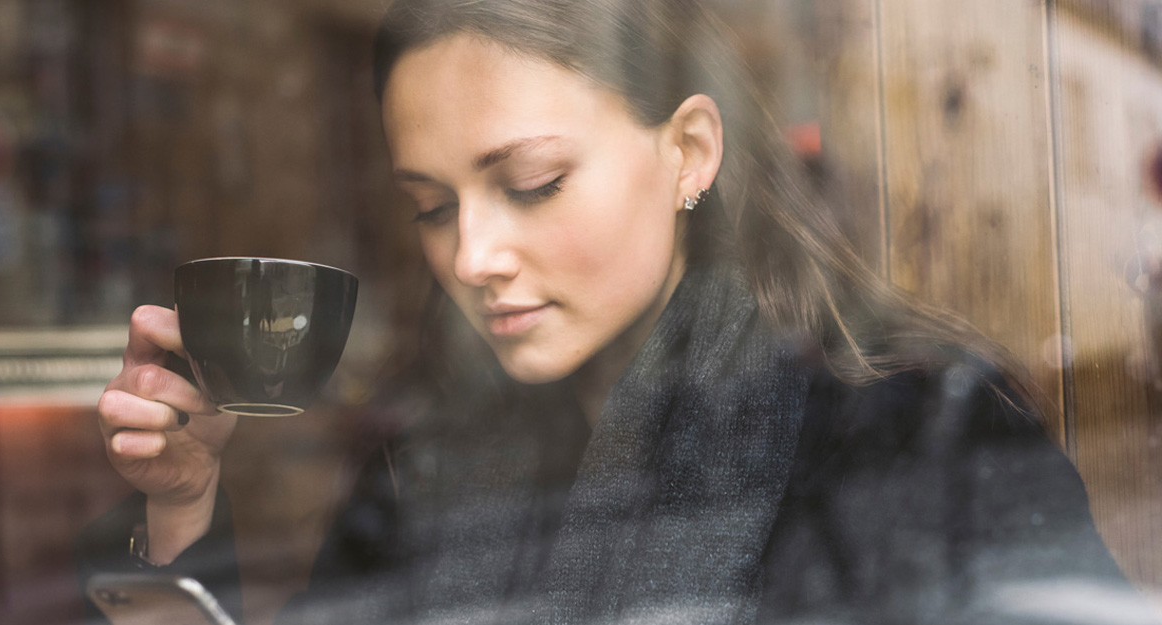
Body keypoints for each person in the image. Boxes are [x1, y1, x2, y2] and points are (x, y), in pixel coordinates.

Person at [78, 0, 1157, 623]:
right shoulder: (426, 468)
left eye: (533, 183)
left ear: (687, 152)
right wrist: (181, 506)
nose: (473, 253)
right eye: (427, 207)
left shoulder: (913, 436)